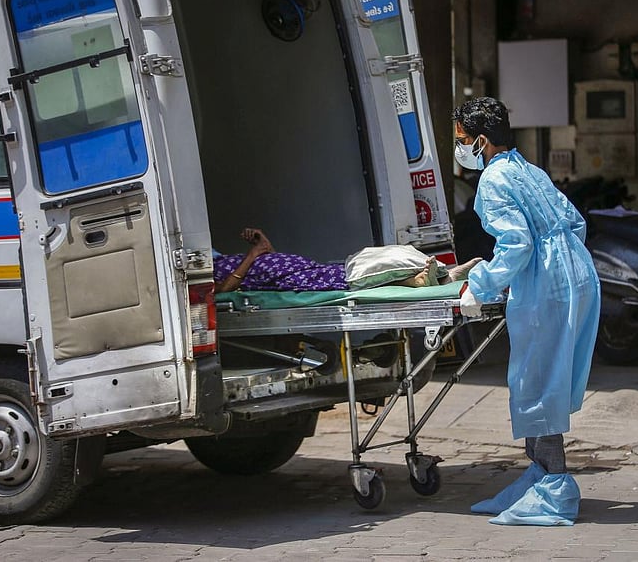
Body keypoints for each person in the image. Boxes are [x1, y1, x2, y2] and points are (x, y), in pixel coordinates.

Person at [453, 97, 601, 527]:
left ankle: (554, 487)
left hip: (547, 287)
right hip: (576, 275)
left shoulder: (495, 179)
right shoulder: (529, 169)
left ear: (481, 141)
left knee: (537, 382)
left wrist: (480, 284)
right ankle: (538, 475)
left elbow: (517, 244)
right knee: (546, 377)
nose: (460, 150)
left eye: (463, 141)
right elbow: (575, 222)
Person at [214, 228, 479, 293]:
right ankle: (418, 279)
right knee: (352, 275)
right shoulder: (208, 272)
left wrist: (261, 244)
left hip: (295, 267)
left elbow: (267, 256)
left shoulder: (223, 259)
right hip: (290, 280)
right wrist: (250, 257)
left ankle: (445, 275)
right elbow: (225, 290)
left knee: (366, 261)